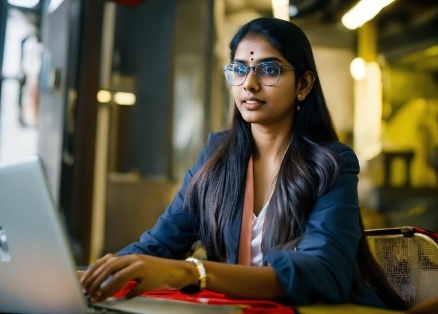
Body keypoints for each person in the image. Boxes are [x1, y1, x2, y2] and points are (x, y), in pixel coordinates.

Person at [81, 17, 407, 310]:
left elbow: (324, 272)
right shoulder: (216, 156)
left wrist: (192, 271)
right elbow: (160, 245)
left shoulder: (332, 162)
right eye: (240, 69)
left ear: (304, 85)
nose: (249, 84)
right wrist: (90, 277)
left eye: (269, 69)